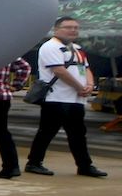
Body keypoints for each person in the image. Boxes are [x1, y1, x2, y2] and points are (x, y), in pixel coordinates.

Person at [26, 17, 107, 177]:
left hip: (76, 99)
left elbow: (86, 68)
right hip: (56, 98)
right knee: (47, 132)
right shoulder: (50, 47)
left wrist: (90, 85)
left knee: (78, 135)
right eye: (68, 27)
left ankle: (85, 166)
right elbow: (59, 71)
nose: (73, 30)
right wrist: (80, 87)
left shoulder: (76, 48)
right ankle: (34, 163)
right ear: (56, 29)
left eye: (76, 28)